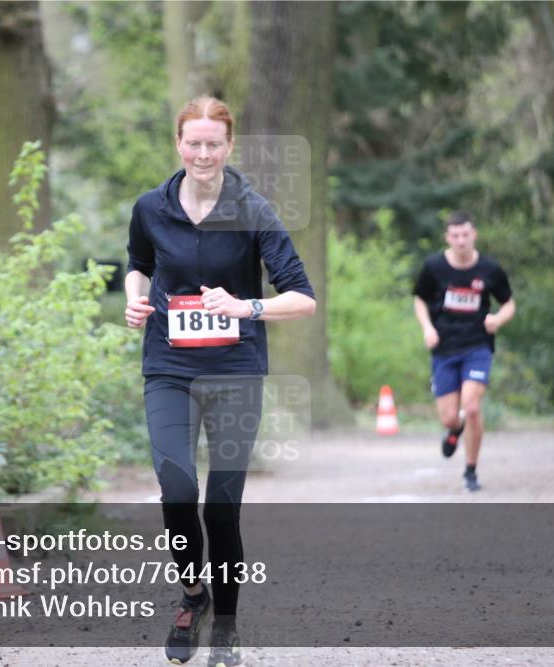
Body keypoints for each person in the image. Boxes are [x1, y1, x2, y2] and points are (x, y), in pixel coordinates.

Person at [124, 96, 316, 666]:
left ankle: (226, 626)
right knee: (177, 490)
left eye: (214, 143)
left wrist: (246, 308)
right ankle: (192, 597)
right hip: (169, 366)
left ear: (229, 147)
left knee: (221, 507)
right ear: (178, 144)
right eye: (193, 142)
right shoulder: (150, 207)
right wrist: (135, 301)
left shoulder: (255, 210)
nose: (203, 153)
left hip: (234, 371)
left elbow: (303, 299)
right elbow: (138, 263)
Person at [412, 211, 515, 492]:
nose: (460, 240)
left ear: (474, 234)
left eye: (465, 234)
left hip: (477, 346)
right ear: (447, 237)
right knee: (449, 416)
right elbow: (419, 300)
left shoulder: (490, 269)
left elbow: (509, 303)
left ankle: (470, 470)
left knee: (471, 407)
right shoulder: (434, 267)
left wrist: (497, 319)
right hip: (444, 348)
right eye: (455, 235)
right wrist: (427, 328)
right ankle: (453, 430)